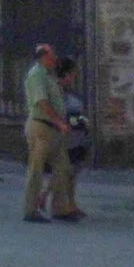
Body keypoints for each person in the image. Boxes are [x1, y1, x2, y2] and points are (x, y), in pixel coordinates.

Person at [22, 42, 78, 223]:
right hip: (41, 127)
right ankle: (30, 210)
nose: (55, 58)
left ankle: (60, 208)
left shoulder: (48, 76)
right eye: (52, 55)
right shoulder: (37, 75)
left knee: (64, 168)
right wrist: (59, 122)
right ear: (44, 56)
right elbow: (42, 102)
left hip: (52, 130)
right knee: (36, 169)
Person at [45, 56, 90, 218]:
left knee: (71, 172)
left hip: (73, 138)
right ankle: (58, 207)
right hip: (61, 137)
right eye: (71, 74)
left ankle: (70, 204)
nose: (73, 78)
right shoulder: (54, 91)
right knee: (62, 171)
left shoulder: (65, 92)